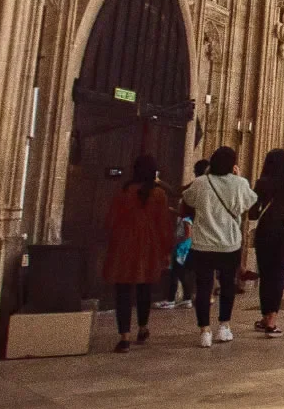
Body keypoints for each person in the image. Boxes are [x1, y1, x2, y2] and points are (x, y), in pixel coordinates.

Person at [181, 145, 257, 348]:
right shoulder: (239, 183)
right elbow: (251, 201)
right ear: (233, 164)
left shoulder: (200, 182)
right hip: (229, 244)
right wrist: (239, 177)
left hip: (203, 244)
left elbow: (187, 198)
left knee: (204, 287)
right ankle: (224, 327)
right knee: (227, 287)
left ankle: (204, 331)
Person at [101, 153, 172, 352]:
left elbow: (111, 219)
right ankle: (142, 327)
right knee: (144, 288)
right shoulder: (159, 194)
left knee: (123, 290)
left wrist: (113, 238)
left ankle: (124, 337)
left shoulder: (124, 191)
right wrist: (166, 249)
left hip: (124, 244)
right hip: (148, 245)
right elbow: (163, 224)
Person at [251, 148, 284, 337]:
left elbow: (253, 212)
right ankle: (272, 320)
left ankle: (266, 316)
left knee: (266, 274)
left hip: (266, 231)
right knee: (279, 274)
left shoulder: (263, 183)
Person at [158, 159, 209, 309]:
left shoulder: (198, 184)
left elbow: (176, 191)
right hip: (197, 230)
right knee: (183, 268)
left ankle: (172, 299)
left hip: (188, 230)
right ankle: (188, 297)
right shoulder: (208, 186)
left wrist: (159, 182)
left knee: (178, 268)